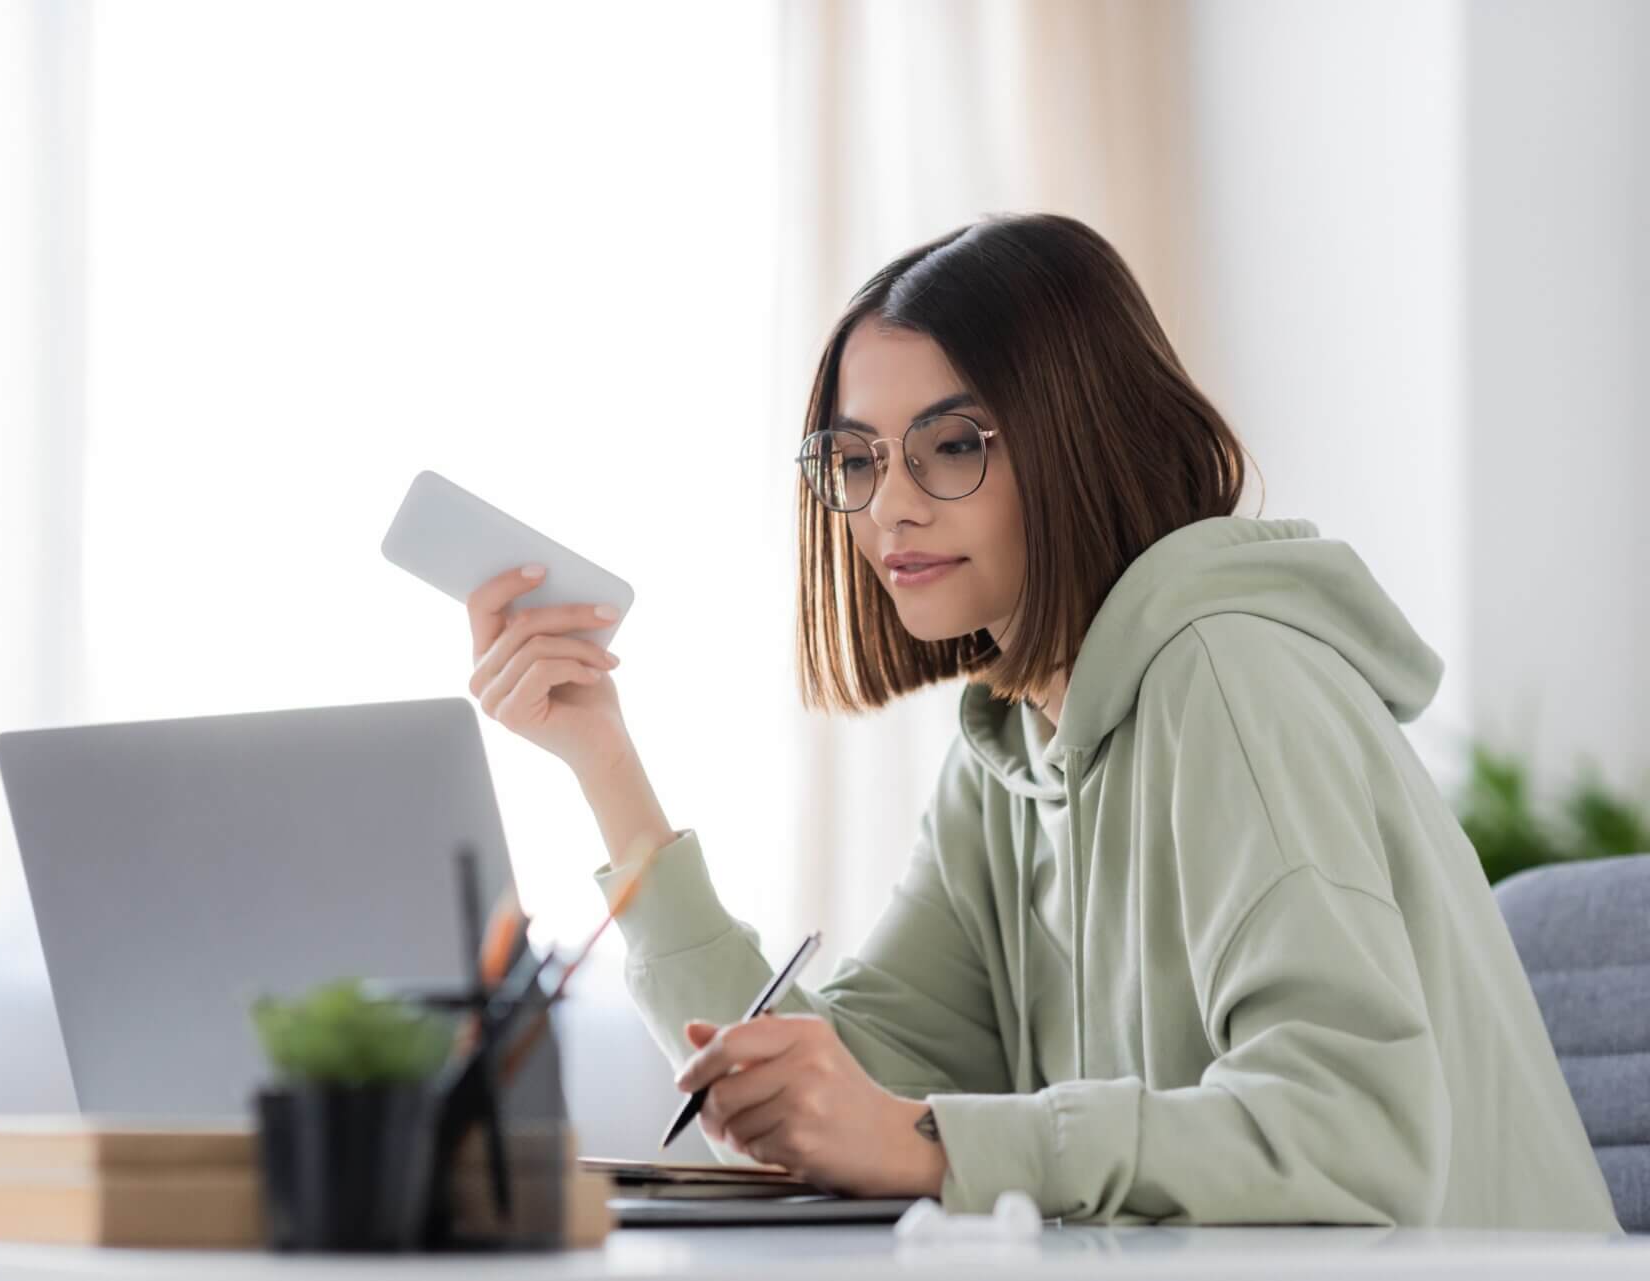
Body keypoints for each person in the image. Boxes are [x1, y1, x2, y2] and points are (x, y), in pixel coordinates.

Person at [461, 214, 1621, 1231]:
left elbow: (1352, 1132)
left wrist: (930, 1144)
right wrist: (602, 758)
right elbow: (860, 1085)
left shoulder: (1230, 676)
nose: (891, 507)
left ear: (1076, 434)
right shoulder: (1010, 753)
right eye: (856, 460)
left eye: (952, 445)